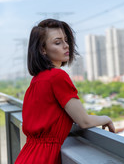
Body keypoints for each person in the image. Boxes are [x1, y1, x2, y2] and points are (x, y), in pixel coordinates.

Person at [15, 19, 115, 164]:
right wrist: (106, 118)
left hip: (27, 156)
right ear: (43, 49)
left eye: (66, 40)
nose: (66, 45)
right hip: (44, 158)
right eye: (58, 42)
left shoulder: (37, 80)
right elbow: (84, 121)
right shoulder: (57, 77)